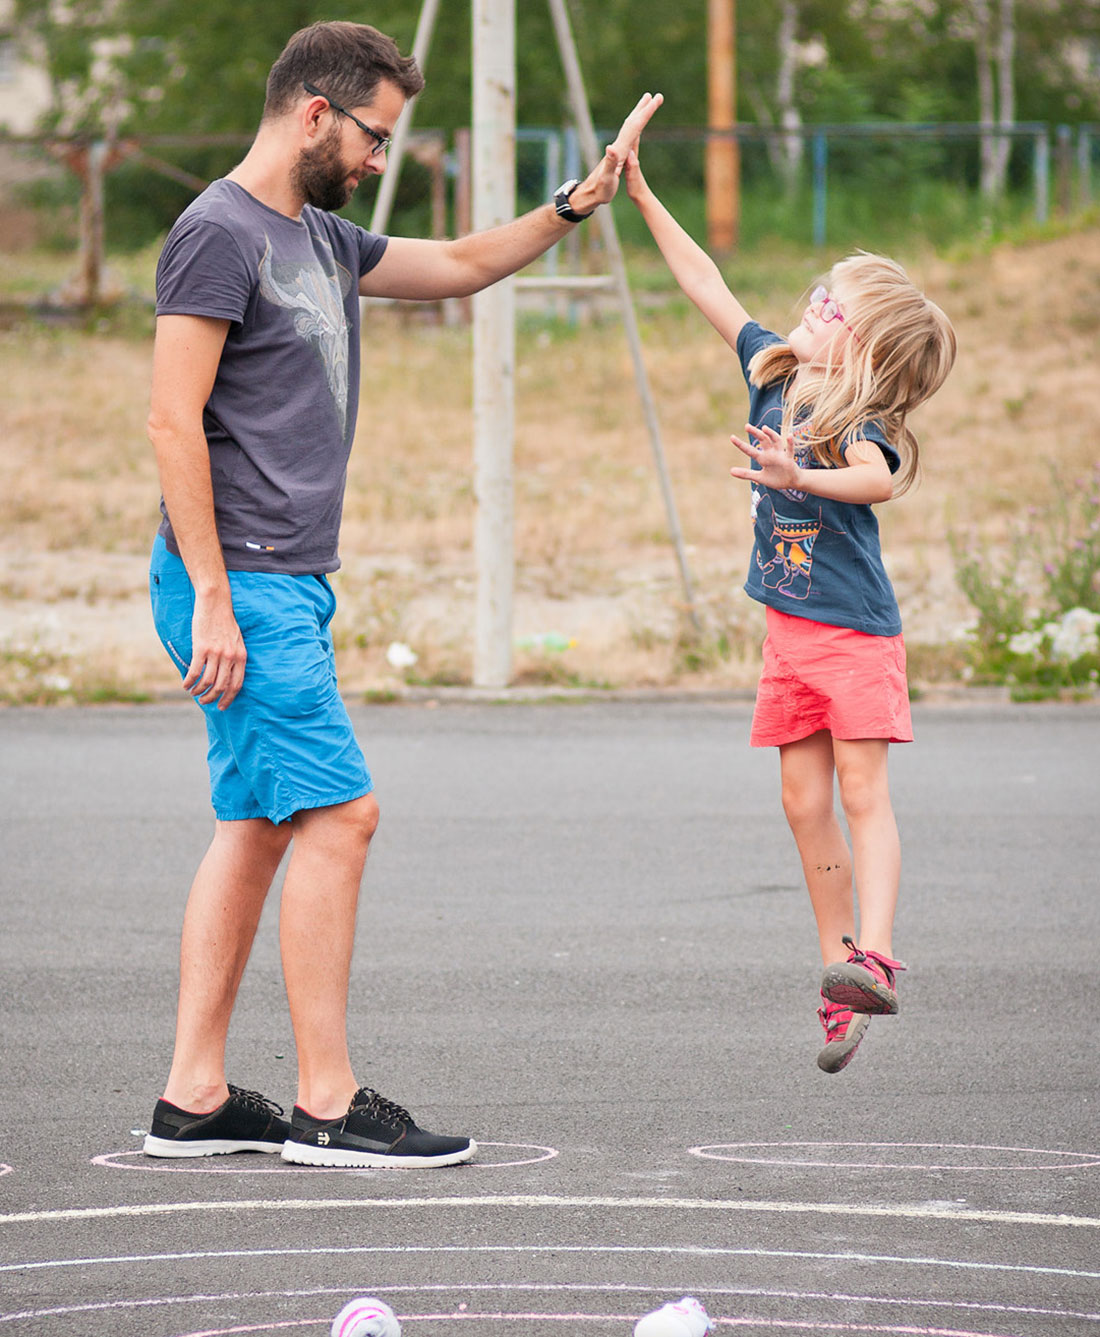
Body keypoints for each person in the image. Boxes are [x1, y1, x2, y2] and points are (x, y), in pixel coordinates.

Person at [142, 19, 664, 1166]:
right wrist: (218, 602)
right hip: (242, 583)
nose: (381, 158)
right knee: (342, 813)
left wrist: (574, 205)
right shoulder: (216, 234)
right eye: (375, 134)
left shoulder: (321, 238)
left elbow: (464, 265)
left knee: (258, 826)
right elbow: (171, 419)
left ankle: (192, 1093)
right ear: (315, 113)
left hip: (287, 582)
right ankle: (327, 1103)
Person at [623, 148, 956, 1074]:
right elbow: (704, 279)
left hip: (854, 638)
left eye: (832, 306)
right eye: (819, 292)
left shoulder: (852, 419)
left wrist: (797, 472)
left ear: (863, 350)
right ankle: (838, 973)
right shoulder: (771, 372)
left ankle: (878, 954)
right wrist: (644, 189)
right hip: (790, 638)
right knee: (802, 801)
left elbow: (878, 482)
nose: (813, 305)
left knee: (859, 792)